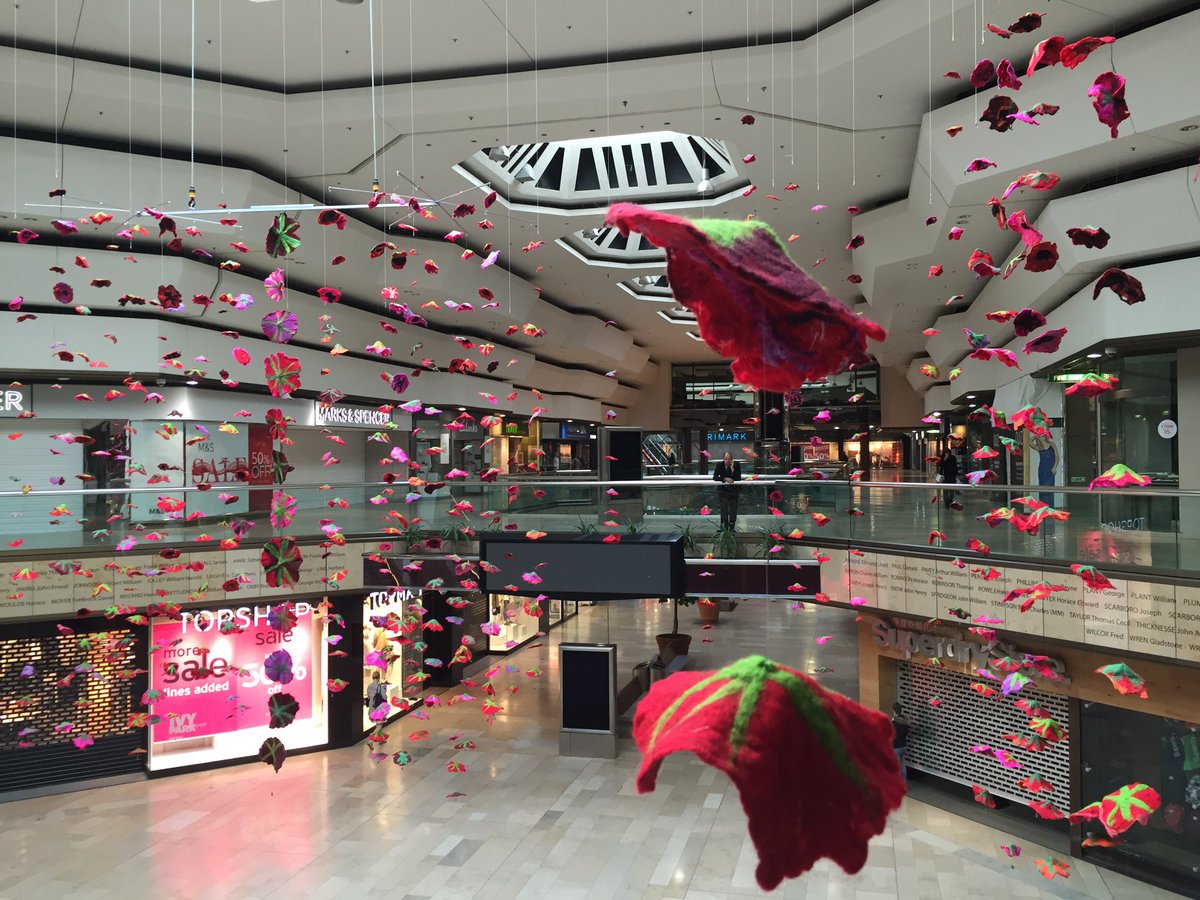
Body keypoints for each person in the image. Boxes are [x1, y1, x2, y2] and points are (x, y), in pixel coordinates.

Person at [712, 450, 742, 529]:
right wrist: (725, 479)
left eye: (729, 459)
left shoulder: (737, 465)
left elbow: (738, 478)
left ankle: (732, 526)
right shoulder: (719, 465)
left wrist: (732, 470)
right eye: (726, 459)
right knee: (724, 509)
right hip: (723, 491)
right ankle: (723, 527)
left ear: (731, 459)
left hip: (734, 491)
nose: (727, 461)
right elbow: (715, 477)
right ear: (723, 459)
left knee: (733, 509)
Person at [1030, 433, 1058, 505]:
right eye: (1039, 437)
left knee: (1050, 488)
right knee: (1042, 488)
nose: (1041, 438)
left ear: (1045, 436)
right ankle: (1042, 507)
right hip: (1042, 469)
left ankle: (1050, 508)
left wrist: (1055, 467)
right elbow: (1029, 442)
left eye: (1042, 436)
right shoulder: (1039, 447)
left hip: (1051, 469)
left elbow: (1057, 457)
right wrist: (1035, 435)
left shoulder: (1052, 444)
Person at [891, 702, 910, 782]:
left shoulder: (894, 722)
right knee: (903, 765)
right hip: (904, 745)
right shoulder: (905, 721)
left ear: (893, 711)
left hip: (896, 746)